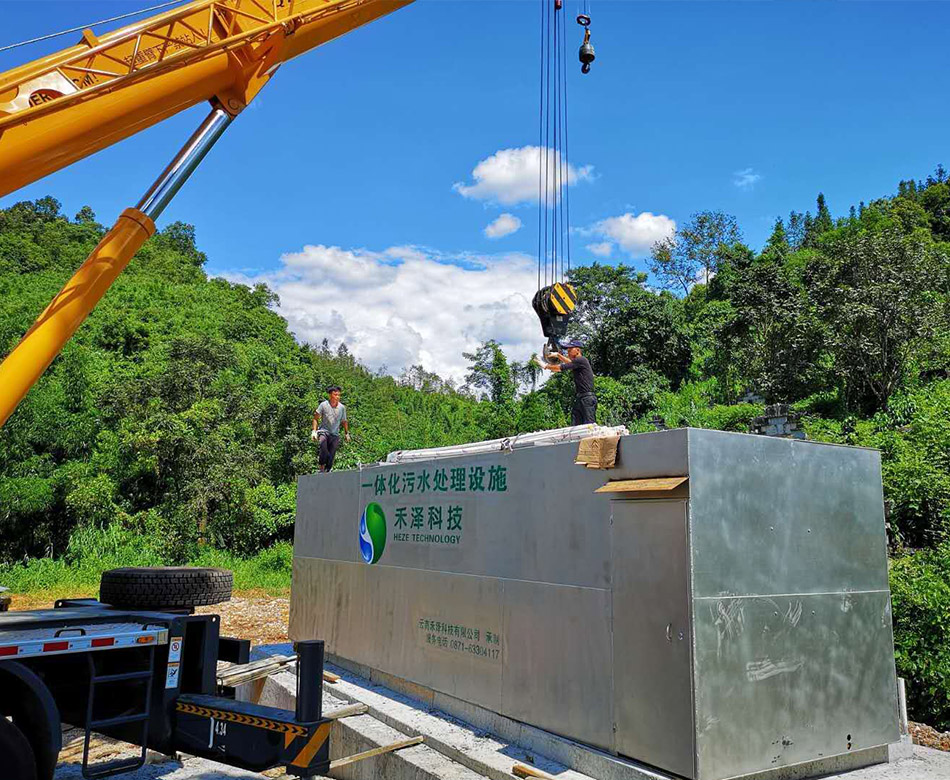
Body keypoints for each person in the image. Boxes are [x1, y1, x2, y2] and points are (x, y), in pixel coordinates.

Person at [541, 340, 597, 425]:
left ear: (578, 350)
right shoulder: (578, 363)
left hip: (587, 398)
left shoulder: (581, 360)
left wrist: (545, 366)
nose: (568, 352)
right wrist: (558, 355)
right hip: (580, 398)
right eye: (567, 351)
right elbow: (570, 363)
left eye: (570, 350)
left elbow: (560, 368)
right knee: (576, 424)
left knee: (589, 425)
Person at [312, 386, 350, 472]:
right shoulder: (323, 405)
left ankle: (327, 470)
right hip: (324, 431)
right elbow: (315, 418)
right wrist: (314, 431)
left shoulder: (342, 408)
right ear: (330, 395)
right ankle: (321, 466)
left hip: (335, 433)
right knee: (323, 445)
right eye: (335, 394)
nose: (337, 397)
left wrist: (346, 433)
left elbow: (344, 421)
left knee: (332, 453)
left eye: (339, 395)